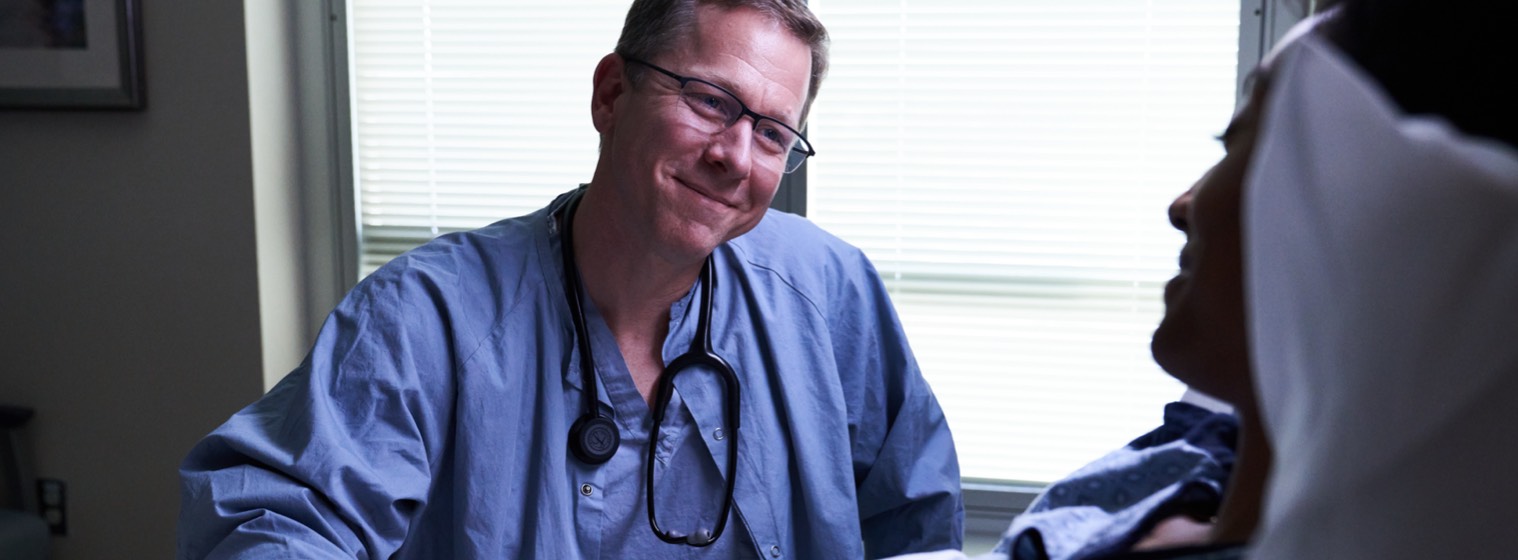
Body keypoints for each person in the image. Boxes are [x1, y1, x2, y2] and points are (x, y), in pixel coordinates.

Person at [177, 1, 963, 558]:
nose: (734, 154)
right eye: (709, 100)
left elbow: (917, 524)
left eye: (770, 132)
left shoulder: (827, 291)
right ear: (612, 93)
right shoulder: (428, 317)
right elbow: (278, 520)